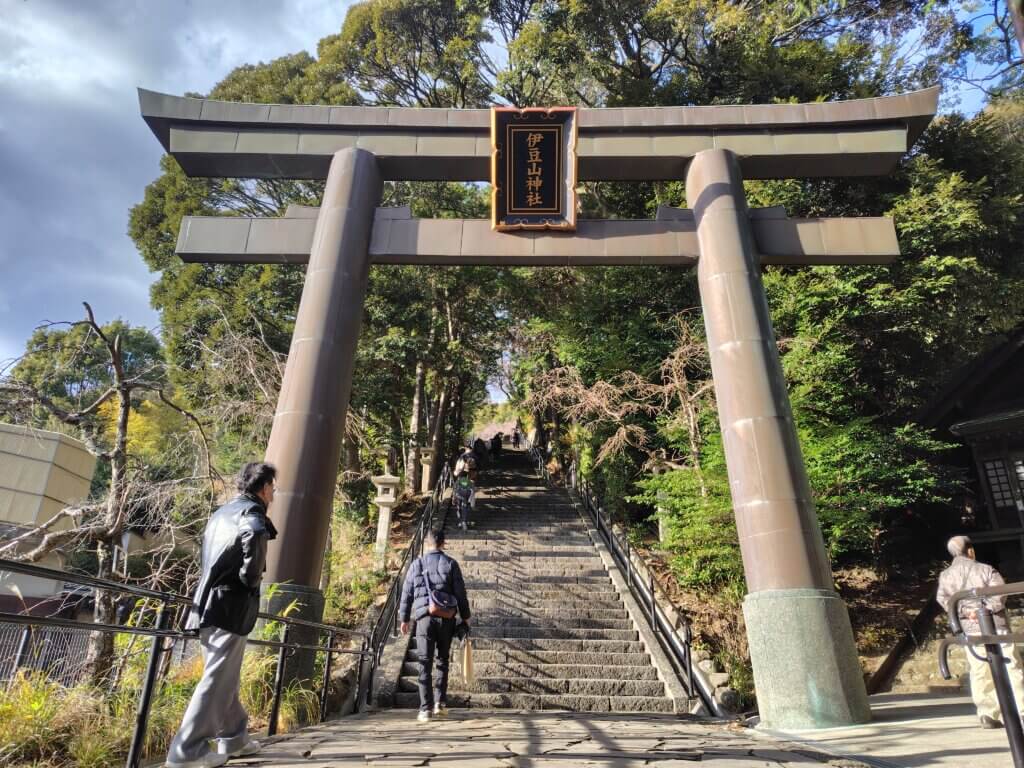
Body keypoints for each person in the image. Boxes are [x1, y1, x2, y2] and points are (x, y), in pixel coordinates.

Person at [165, 462, 278, 768]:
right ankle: (187, 750)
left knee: (224, 673)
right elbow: (255, 534)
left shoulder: (221, 512)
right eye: (273, 488)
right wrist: (250, 578)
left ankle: (235, 736)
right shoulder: (252, 514)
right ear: (265, 487)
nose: (274, 493)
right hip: (229, 605)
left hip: (206, 604)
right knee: (217, 677)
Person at [936, 535, 1024, 729]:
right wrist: (984, 610)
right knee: (1011, 666)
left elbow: (944, 599)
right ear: (970, 550)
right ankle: (1020, 709)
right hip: (997, 626)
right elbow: (1000, 593)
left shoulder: (945, 576)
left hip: (970, 631)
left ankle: (987, 713)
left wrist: (966, 612)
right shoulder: (985, 569)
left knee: (979, 670)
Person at [399, 528, 471, 722]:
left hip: (424, 619)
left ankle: (425, 709)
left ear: (426, 543)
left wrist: (404, 618)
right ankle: (440, 703)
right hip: (447, 619)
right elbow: (461, 593)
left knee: (424, 661)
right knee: (442, 661)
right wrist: (465, 617)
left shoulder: (417, 564)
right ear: (443, 543)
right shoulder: (451, 564)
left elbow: (406, 593)